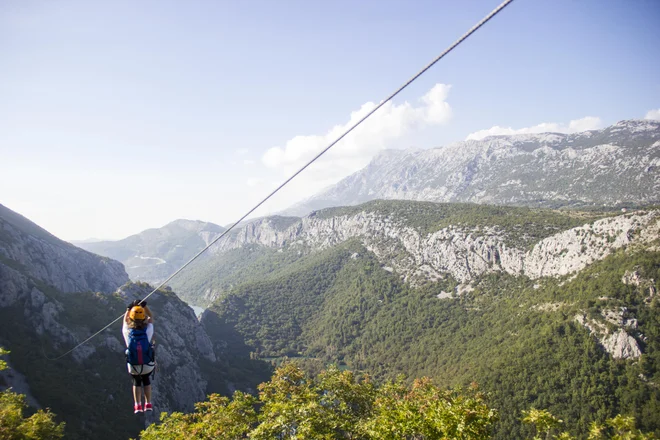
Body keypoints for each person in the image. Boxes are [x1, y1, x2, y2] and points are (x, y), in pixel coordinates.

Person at [123, 300, 155, 414]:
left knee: (136, 381)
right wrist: (144, 307)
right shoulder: (148, 331)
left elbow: (125, 321)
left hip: (134, 366)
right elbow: (151, 317)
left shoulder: (127, 331)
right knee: (146, 380)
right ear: (143, 318)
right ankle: (148, 403)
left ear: (130, 318)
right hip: (147, 365)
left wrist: (128, 309)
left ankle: (137, 405)